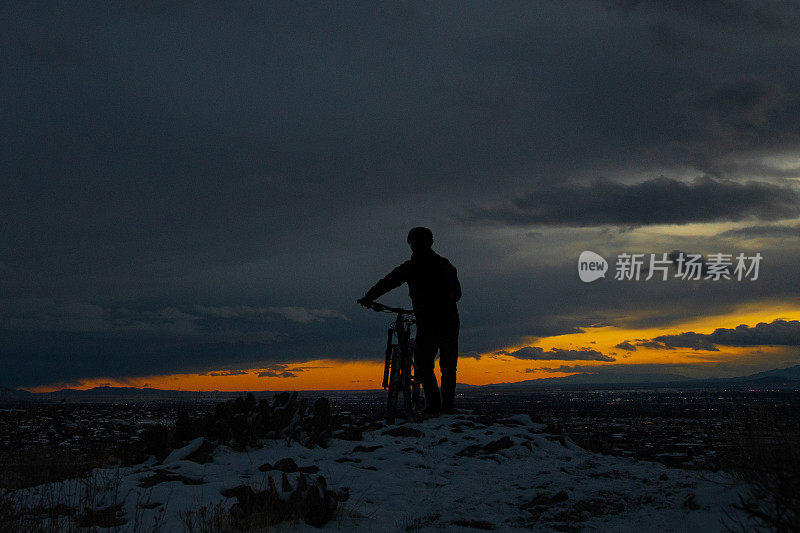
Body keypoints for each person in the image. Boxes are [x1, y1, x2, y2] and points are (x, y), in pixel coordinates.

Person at [358, 227, 461, 414]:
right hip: (450, 321)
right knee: (448, 366)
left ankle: (434, 406)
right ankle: (447, 407)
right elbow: (458, 294)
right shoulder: (445, 265)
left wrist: (369, 297)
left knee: (423, 364)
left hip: (429, 322)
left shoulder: (412, 267)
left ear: (412, 244)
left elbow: (388, 282)